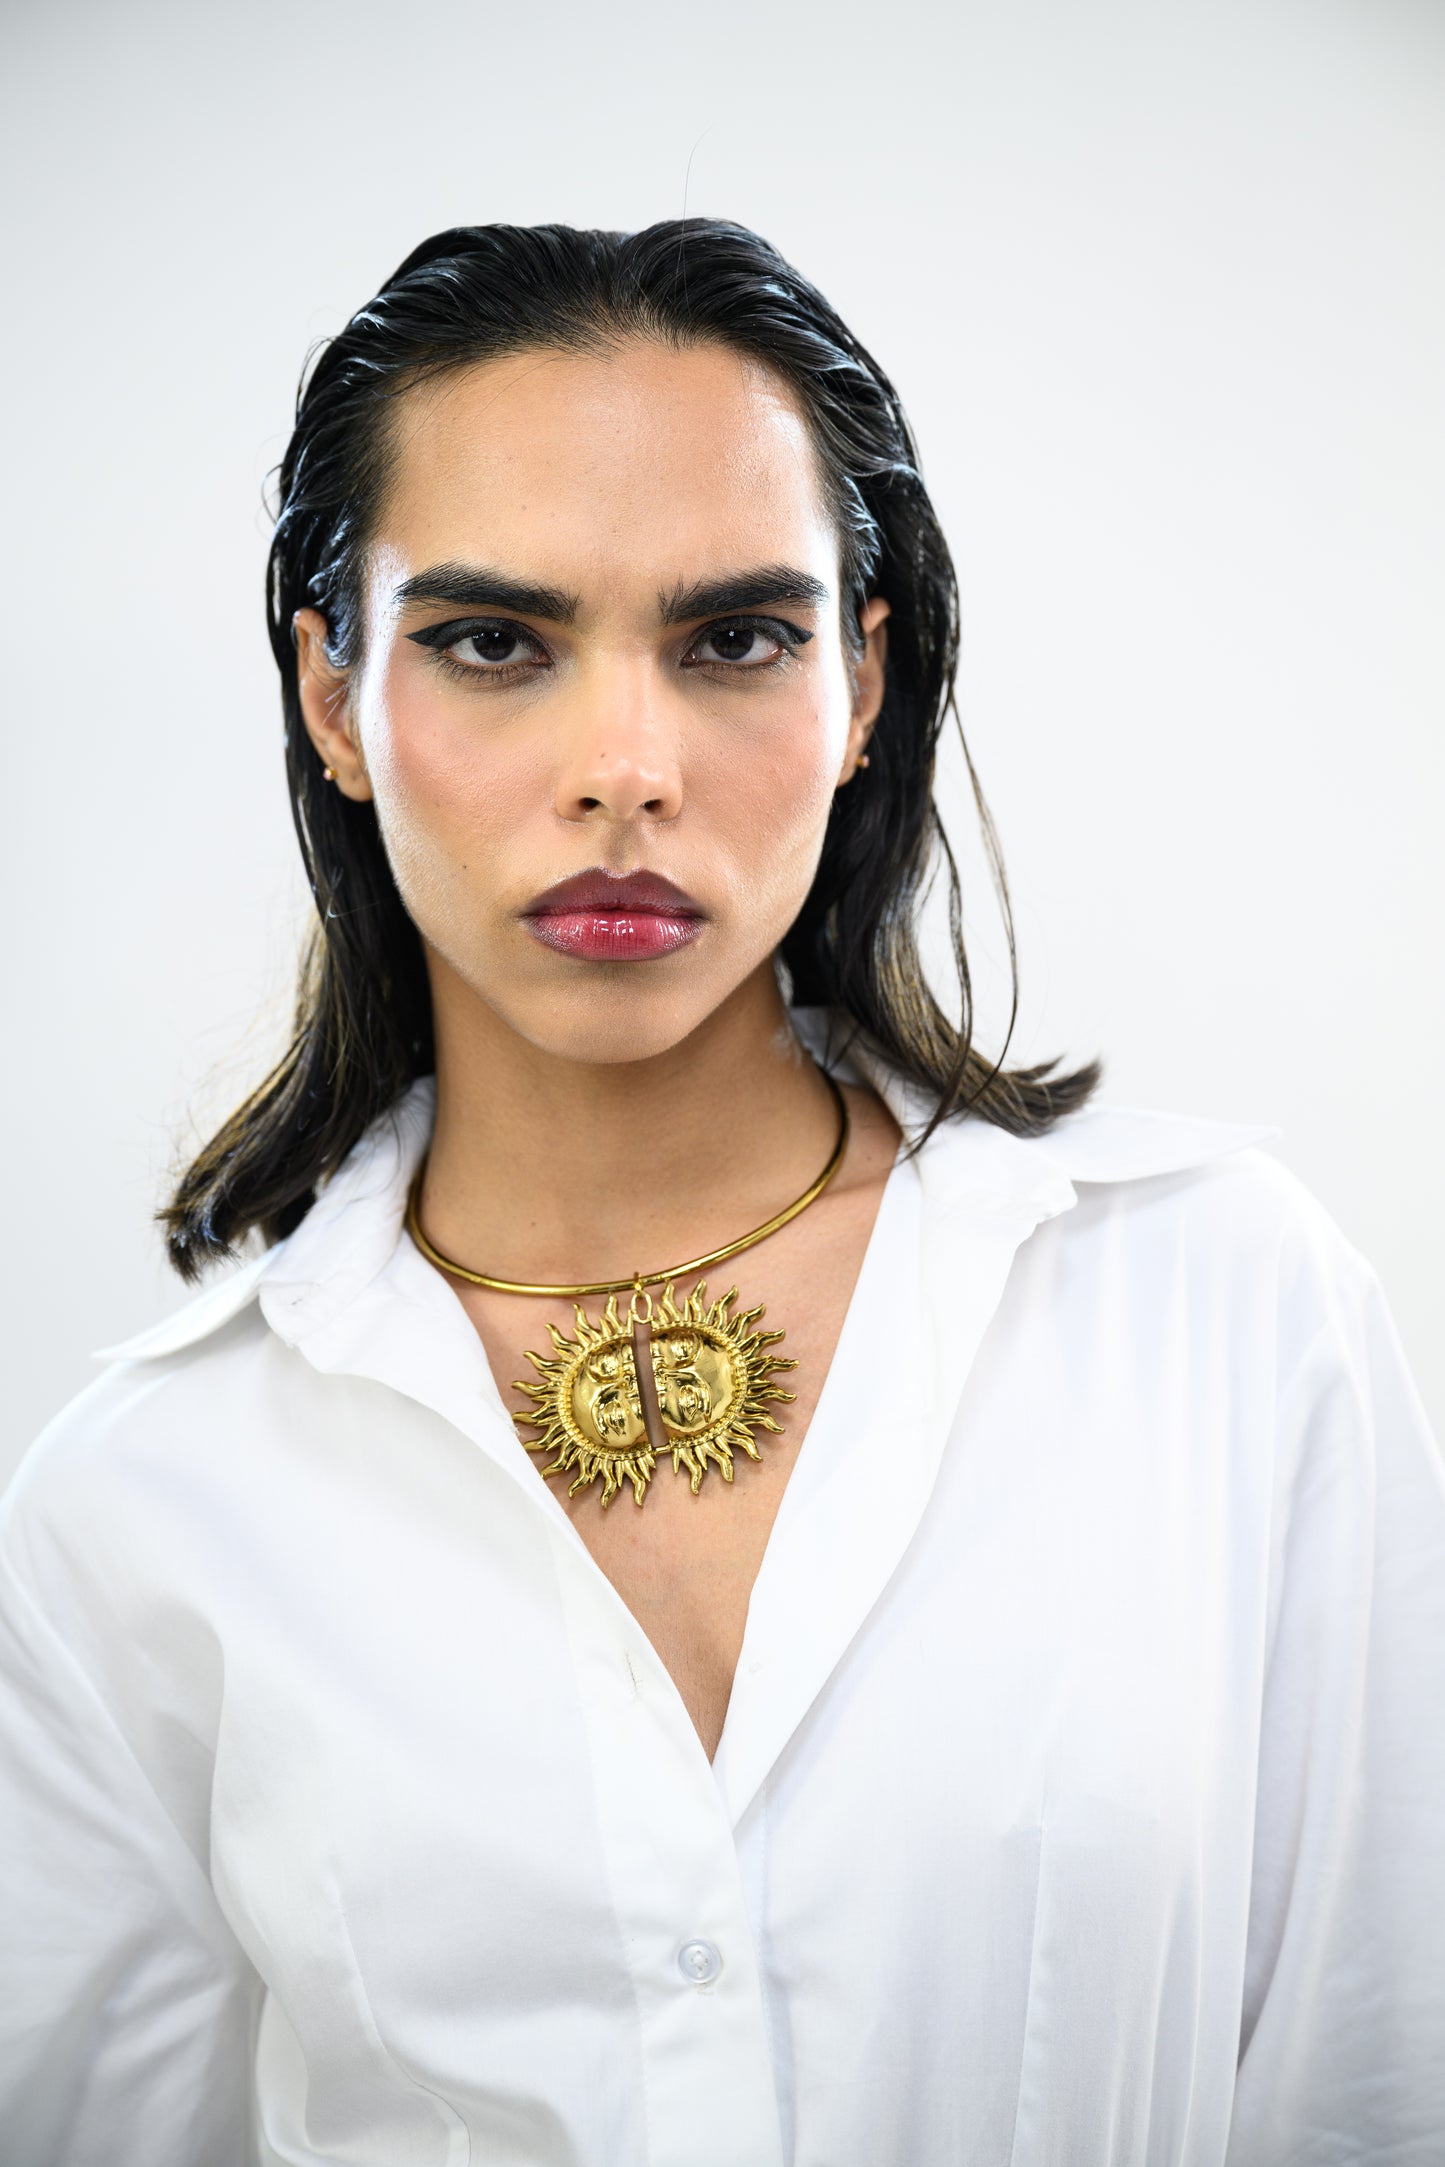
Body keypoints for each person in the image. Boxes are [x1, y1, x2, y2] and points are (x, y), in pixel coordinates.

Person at [1, 219, 1440, 2167]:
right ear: (333, 697)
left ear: (864, 682)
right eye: (494, 642)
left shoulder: (1219, 1315)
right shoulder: (139, 1506)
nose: (626, 769)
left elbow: (1377, 2084)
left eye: (734, 640)